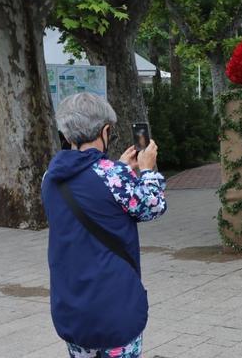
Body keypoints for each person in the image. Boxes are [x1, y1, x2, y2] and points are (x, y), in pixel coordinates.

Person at [41, 93, 167, 358]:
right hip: (114, 303)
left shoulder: (50, 177)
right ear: (105, 130)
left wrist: (120, 167)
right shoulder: (114, 176)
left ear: (66, 133)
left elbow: (89, 191)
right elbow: (152, 206)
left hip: (71, 304)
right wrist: (147, 171)